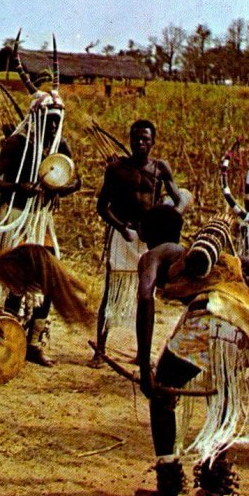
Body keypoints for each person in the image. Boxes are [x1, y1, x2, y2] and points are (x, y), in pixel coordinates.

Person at [132, 206, 249, 496]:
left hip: (208, 319)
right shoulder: (204, 257)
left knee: (162, 395)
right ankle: (213, 491)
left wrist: (145, 364)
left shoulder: (155, 255)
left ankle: (168, 493)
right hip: (242, 327)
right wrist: (246, 308)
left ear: (147, 232)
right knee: (223, 400)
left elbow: (145, 298)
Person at [0, 96, 80, 367]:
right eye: (48, 120)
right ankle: (11, 342)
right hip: (15, 219)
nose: (52, 126)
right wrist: (17, 188)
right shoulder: (17, 143)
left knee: (48, 279)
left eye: (57, 121)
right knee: (15, 281)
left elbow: (75, 181)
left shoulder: (60, 147)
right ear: (36, 118)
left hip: (41, 220)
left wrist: (59, 187)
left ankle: (34, 344)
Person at [93, 119, 189, 367]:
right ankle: (100, 350)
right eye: (136, 138)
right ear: (130, 139)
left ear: (153, 142)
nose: (140, 144)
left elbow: (179, 200)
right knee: (112, 291)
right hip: (124, 233)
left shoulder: (160, 168)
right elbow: (102, 207)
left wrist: (167, 222)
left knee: (146, 294)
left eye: (146, 139)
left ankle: (141, 352)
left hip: (151, 238)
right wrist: (121, 227)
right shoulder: (116, 169)